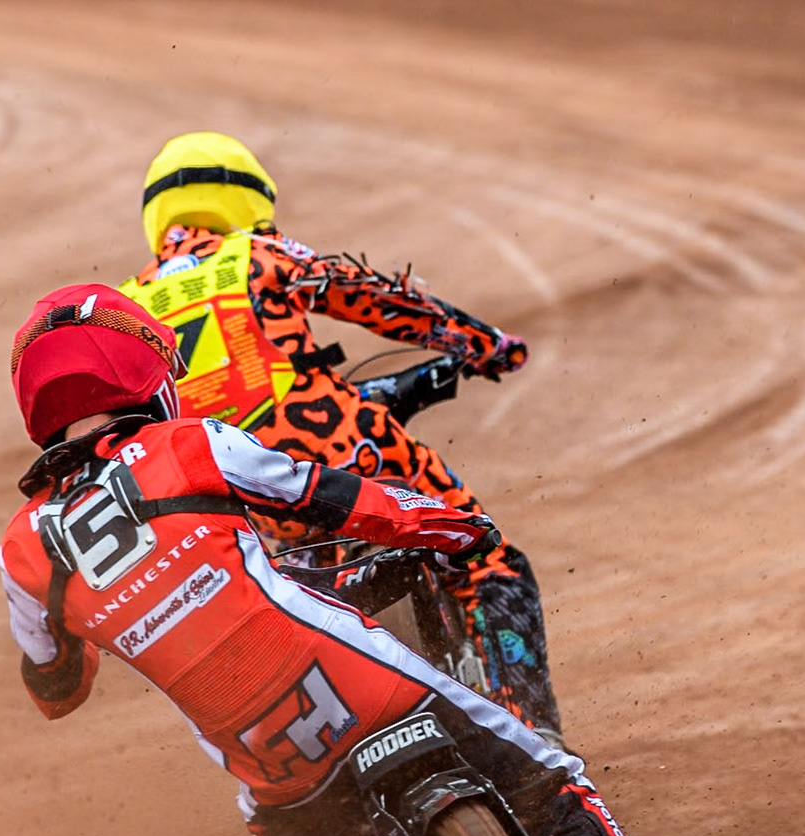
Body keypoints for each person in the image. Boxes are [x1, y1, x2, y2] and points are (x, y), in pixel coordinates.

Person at [0, 283, 714, 836]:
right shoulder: (192, 444)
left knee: (286, 833)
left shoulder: (22, 551)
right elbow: (342, 501)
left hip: (269, 757)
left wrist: (108, 618)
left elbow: (54, 689)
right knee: (550, 780)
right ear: (144, 376)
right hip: (358, 680)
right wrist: (452, 525)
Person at [116, 131, 562, 744]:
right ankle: (533, 731)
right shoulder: (254, 255)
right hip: (337, 451)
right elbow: (373, 296)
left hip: (233, 498)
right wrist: (483, 345)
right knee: (485, 555)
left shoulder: (125, 309)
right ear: (242, 199)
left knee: (290, 619)